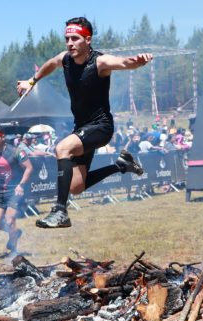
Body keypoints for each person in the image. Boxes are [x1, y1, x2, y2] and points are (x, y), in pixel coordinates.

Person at [17, 17, 153, 228]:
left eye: (75, 38)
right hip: (82, 127)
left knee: (62, 148)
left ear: (87, 40)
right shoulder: (65, 59)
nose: (70, 43)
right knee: (76, 187)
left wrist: (138, 61)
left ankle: (60, 212)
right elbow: (50, 64)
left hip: (101, 126)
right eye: (67, 38)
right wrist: (32, 81)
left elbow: (124, 62)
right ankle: (120, 166)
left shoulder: (100, 62)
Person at [0, 128, 33, 257]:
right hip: (0, 191)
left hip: (15, 190)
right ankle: (14, 233)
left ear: (3, 137)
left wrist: (21, 185)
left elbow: (29, 168)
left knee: (9, 220)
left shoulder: (16, 151)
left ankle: (14, 251)